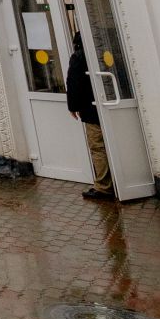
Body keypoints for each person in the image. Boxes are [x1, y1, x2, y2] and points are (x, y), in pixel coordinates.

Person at [67, 33, 115, 201]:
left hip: (91, 108)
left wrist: (73, 106)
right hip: (113, 104)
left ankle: (103, 186)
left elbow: (73, 82)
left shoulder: (78, 57)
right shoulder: (106, 52)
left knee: (98, 147)